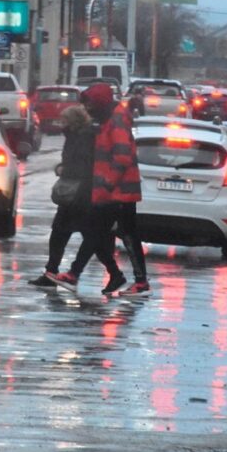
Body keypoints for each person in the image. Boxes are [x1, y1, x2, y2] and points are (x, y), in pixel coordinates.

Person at [50, 83, 151, 297]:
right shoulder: (109, 117)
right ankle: (85, 274)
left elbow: (122, 156)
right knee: (99, 231)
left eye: (90, 104)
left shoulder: (116, 119)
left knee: (121, 234)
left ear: (99, 103)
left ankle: (138, 282)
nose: (88, 108)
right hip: (112, 190)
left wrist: (107, 182)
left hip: (118, 190)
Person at [28, 105, 125, 291]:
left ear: (75, 121)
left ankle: (109, 274)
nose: (61, 123)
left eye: (65, 120)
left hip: (84, 194)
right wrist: (61, 168)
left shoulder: (87, 137)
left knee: (88, 236)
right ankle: (52, 272)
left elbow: (86, 166)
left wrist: (65, 170)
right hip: (73, 194)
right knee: (61, 232)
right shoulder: (72, 136)